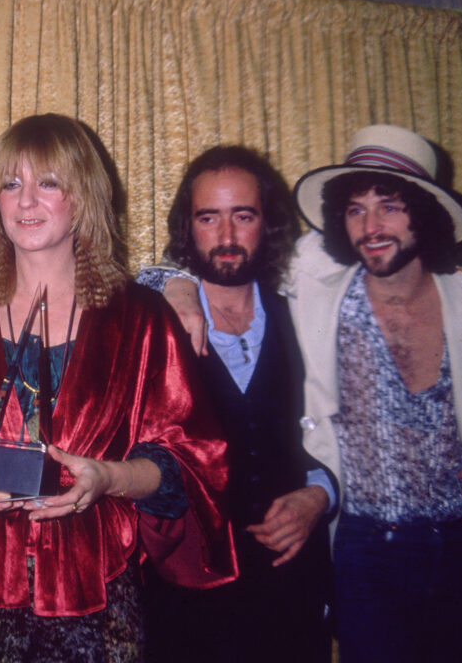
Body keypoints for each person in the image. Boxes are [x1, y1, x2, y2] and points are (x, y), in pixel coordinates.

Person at [164, 124, 462, 662]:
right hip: (365, 550)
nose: (371, 227)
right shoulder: (316, 281)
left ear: (427, 212)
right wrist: (176, 283)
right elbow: (168, 264)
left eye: (391, 206)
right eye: (355, 210)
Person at [0, 113, 234, 663]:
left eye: (49, 183)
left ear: (83, 197)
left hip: (97, 595)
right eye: (11, 184)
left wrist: (107, 477)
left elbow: (190, 462)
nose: (26, 201)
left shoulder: (140, 319)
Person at [136, 146, 332, 663]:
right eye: (208, 218)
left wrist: (322, 495)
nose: (226, 237)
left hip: (291, 592)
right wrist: (171, 283)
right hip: (183, 599)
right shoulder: (151, 322)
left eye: (243, 216)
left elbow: (350, 429)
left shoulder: (304, 317)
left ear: (266, 223)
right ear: (188, 227)